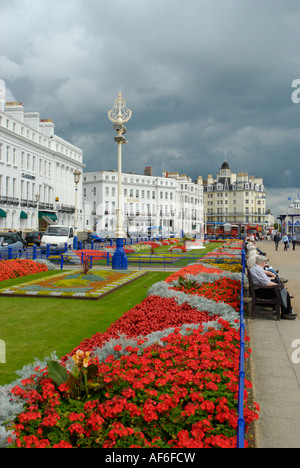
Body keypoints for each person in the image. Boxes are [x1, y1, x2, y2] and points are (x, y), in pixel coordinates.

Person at [250, 255, 296, 320]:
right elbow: (267, 283)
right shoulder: (257, 270)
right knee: (284, 291)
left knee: (283, 290)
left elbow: (263, 280)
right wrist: (280, 286)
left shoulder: (256, 268)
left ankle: (287, 312)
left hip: (259, 289)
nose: (265, 264)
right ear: (262, 262)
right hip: (260, 292)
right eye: (265, 262)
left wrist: (271, 279)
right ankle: (286, 313)